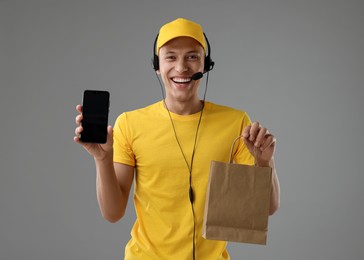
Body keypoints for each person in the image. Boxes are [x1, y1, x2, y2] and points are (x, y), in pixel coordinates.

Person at [74, 18, 280, 260]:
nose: (181, 67)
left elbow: (266, 208)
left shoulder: (235, 123)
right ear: (157, 66)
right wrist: (103, 159)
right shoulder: (130, 123)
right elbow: (113, 213)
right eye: (170, 57)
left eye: (192, 57)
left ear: (206, 65)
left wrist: (266, 163)